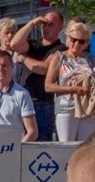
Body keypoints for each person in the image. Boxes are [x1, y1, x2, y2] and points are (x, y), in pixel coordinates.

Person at [10, 8, 66, 140]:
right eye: (43, 24)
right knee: (19, 141)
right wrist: (31, 23)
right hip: (22, 100)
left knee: (40, 143)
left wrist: (23, 58)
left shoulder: (61, 49)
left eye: (50, 24)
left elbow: (44, 68)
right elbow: (14, 44)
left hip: (43, 102)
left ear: (60, 27)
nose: (45, 28)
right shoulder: (34, 44)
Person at [45, 20, 95, 142]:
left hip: (88, 108)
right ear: (68, 38)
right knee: (66, 145)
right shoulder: (59, 57)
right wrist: (72, 89)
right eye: (73, 39)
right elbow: (48, 86)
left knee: (85, 147)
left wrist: (93, 86)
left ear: (87, 43)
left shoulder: (91, 59)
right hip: (66, 107)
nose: (76, 44)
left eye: (81, 41)